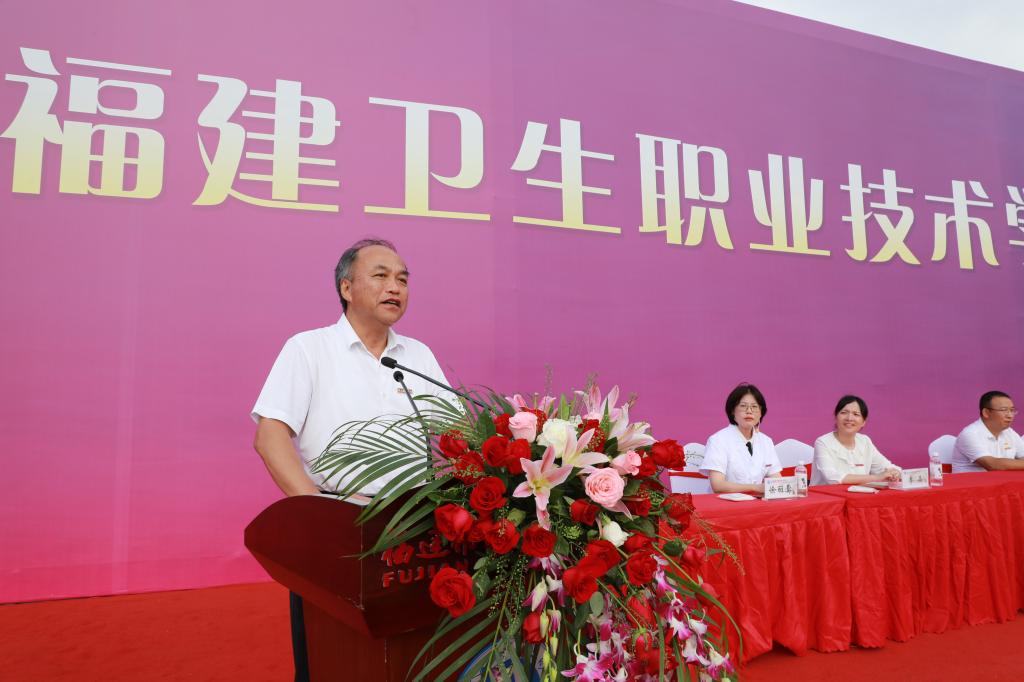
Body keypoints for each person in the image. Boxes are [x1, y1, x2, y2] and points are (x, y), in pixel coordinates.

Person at [250, 237, 450, 682]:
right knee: (334, 657)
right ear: (346, 287)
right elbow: (270, 435)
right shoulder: (309, 348)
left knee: (410, 653)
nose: (394, 287)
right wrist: (320, 516)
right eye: (380, 276)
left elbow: (453, 435)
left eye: (402, 279)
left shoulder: (417, 356)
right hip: (341, 525)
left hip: (415, 527)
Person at [700, 383, 783, 494]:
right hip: (724, 502)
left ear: (761, 413)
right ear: (732, 411)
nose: (749, 411)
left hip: (757, 501)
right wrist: (755, 488)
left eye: (754, 407)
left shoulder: (766, 441)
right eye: (743, 406)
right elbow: (718, 485)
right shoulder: (718, 440)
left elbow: (776, 479)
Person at [811, 395, 901, 485]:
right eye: (844, 412)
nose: (849, 418)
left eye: (856, 414)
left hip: (859, 493)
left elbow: (887, 467)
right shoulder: (823, 442)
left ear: (863, 422)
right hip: (827, 493)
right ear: (836, 417)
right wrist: (877, 478)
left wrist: (894, 473)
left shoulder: (865, 441)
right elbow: (832, 478)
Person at [951, 391, 1024, 473]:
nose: (1010, 415)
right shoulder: (970, 434)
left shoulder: (1009, 432)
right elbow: (993, 465)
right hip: (972, 480)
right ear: (986, 413)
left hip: (1001, 480)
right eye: (1004, 410)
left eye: (1012, 410)